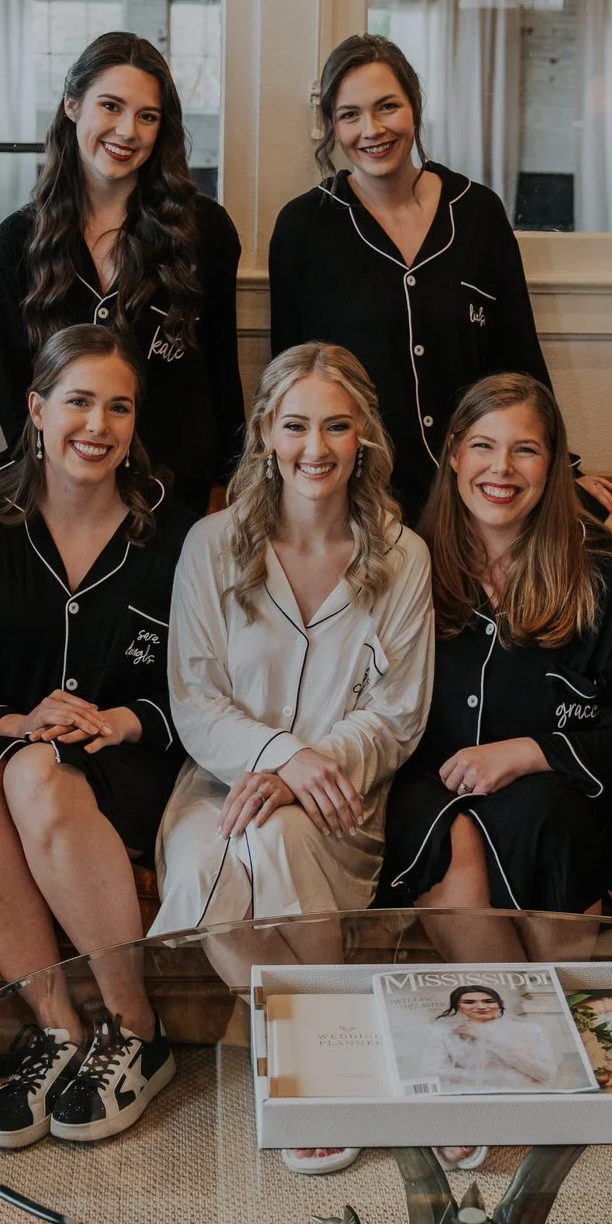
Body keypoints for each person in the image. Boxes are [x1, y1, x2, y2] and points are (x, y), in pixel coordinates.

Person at [0, 324, 198, 1150]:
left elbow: (211, 690)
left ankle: (135, 1027)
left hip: (132, 759)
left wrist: (121, 719)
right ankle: (58, 1029)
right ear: (37, 409)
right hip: (17, 742)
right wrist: (21, 720)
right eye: (79, 401)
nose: (98, 424)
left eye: (119, 407)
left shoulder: (179, 538)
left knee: (37, 776)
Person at [378, 373, 612, 958]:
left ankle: (535, 1026)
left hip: (556, 799)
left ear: (555, 464)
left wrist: (526, 753)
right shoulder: (405, 563)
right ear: (455, 453)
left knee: (541, 812)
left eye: (526, 449)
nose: (501, 468)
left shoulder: (609, 577)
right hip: (427, 787)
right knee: (439, 825)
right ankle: (516, 1025)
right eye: (484, 446)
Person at [152, 342, 435, 937]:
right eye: (296, 426)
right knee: (209, 866)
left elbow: (397, 716)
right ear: (265, 434)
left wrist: (305, 774)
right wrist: (284, 757)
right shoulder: (211, 545)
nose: (316, 448)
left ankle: (303, 1024)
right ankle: (299, 1025)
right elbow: (196, 701)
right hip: (220, 787)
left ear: (364, 436)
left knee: (275, 834)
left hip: (341, 803)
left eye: (337, 426)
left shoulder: (403, 556)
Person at [265, 34, 610, 519]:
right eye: (350, 115)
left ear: (415, 105)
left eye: (387, 106)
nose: (371, 129)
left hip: (477, 489)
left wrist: (561, 470)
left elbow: (519, 359)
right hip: (363, 497)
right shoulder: (303, 227)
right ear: (332, 126)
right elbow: (285, 381)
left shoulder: (478, 213)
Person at [0, 31, 243, 537]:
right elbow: (16, 399)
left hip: (168, 487)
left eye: (147, 116)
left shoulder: (206, 232)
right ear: (72, 105)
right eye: (110, 106)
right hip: (61, 478)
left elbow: (222, 376)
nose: (127, 130)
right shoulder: (19, 240)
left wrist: (231, 487)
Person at [421, 986, 566, 1092]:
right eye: (469, 1002)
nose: (480, 1007)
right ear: (458, 1006)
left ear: (500, 1003)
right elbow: (433, 1072)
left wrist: (488, 1039)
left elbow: (545, 1073)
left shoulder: (530, 1029)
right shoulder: (444, 1033)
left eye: (489, 1001)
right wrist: (499, 1077)